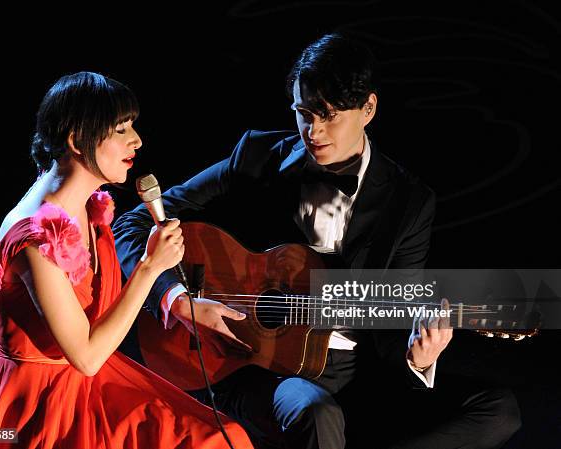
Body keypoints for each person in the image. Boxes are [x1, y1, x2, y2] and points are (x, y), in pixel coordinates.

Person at [113, 34, 521, 449]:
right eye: (304, 113)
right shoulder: (258, 156)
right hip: (257, 364)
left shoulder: (409, 202)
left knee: (497, 409)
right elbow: (128, 225)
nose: (314, 130)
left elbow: (395, 314)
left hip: (355, 370)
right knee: (316, 412)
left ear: (369, 109)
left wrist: (419, 359)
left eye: (328, 115)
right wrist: (177, 299)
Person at [0, 72, 253, 449]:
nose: (136, 140)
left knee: (219, 436)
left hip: (92, 381)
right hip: (42, 402)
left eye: (131, 126)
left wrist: (182, 305)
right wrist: (150, 268)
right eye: (120, 129)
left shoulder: (88, 207)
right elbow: (85, 356)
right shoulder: (35, 237)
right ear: (75, 140)